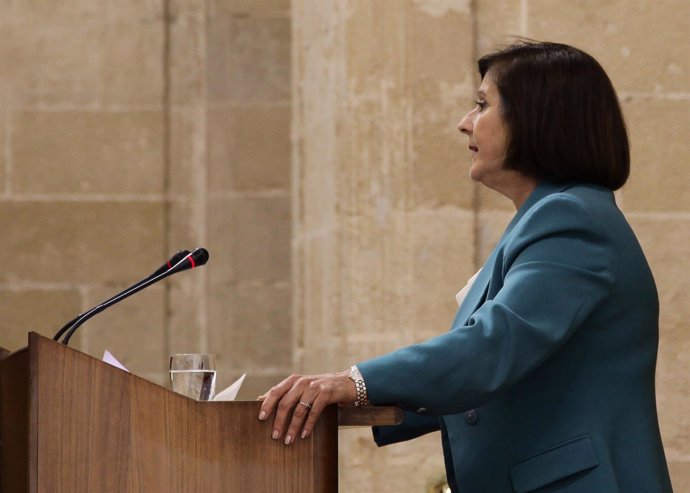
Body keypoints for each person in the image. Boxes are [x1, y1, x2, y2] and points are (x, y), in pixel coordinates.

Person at [257, 41, 674, 492]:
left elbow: (488, 351)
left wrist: (356, 382)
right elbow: (507, 372)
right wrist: (341, 400)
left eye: (481, 105)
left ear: (536, 118)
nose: (464, 122)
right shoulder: (547, 218)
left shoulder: (570, 221)